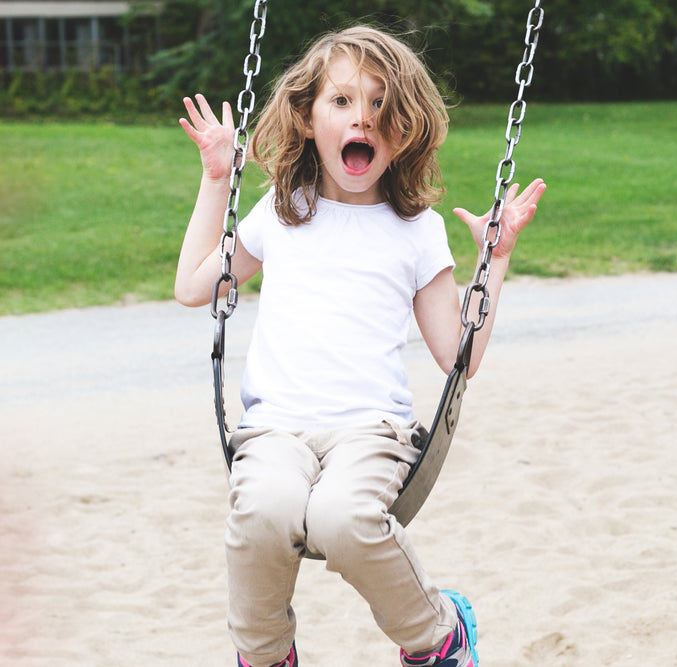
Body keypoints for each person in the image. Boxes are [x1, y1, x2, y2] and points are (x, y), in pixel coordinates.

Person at [174, 25, 544, 667]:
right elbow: (192, 286)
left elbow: (461, 356)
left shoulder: (416, 231)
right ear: (307, 117)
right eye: (342, 102)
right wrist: (216, 179)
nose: (362, 119)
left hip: (370, 434)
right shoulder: (283, 211)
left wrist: (496, 259)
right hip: (274, 432)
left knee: (343, 520)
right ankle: (265, 656)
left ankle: (438, 634)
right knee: (265, 511)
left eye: (380, 106)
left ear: (405, 129)